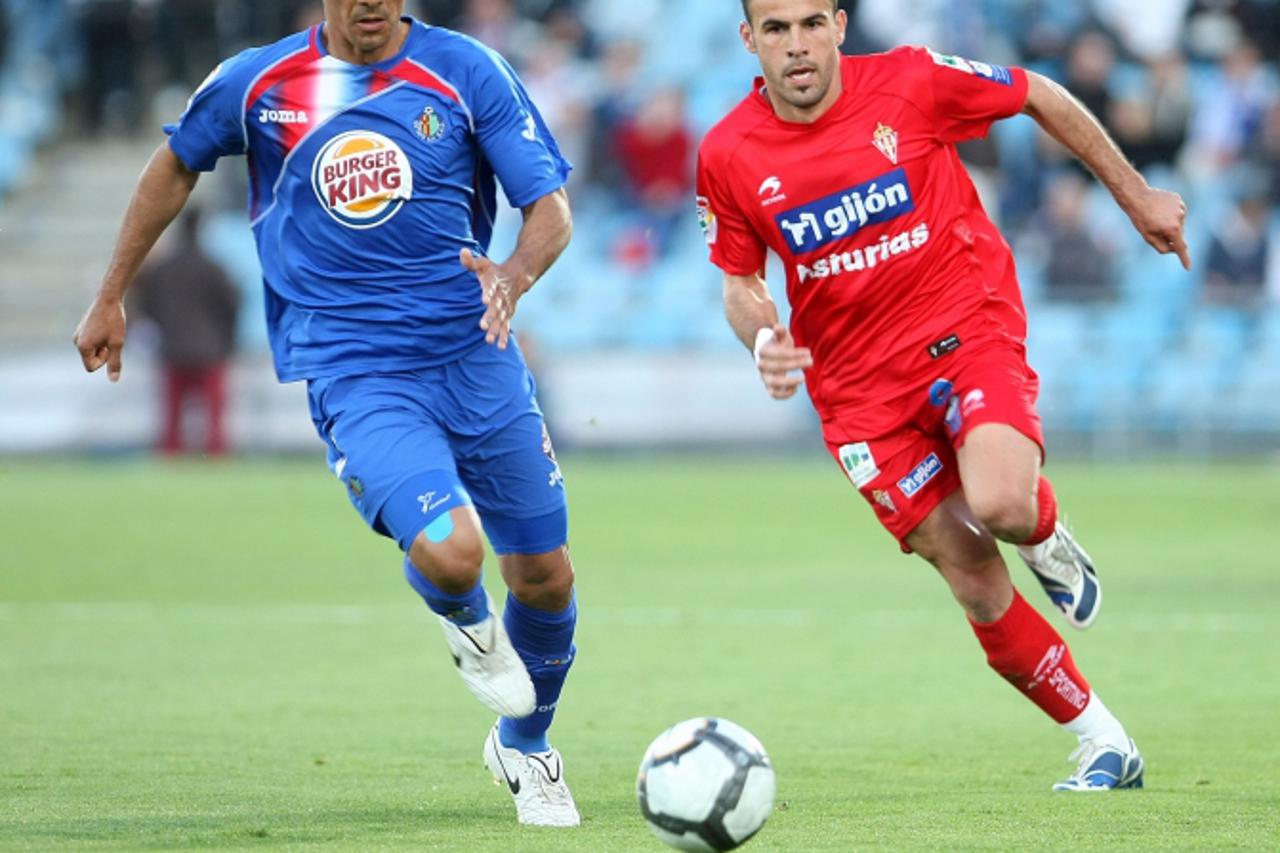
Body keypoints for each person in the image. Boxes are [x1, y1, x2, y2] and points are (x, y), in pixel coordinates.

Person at [73, 0, 580, 827]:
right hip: (356, 369)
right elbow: (173, 164)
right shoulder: (260, 82)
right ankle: (469, 626)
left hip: (476, 355)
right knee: (455, 554)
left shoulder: (467, 72)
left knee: (546, 573)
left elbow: (549, 211)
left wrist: (514, 276)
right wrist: (110, 295)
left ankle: (526, 744)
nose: (372, 3)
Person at [698, 0, 1190, 791]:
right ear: (749, 39)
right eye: (777, 30)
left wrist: (1134, 196)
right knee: (969, 573)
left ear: (840, 25)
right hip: (857, 392)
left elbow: (1038, 92)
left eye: (810, 25)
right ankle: (1104, 742)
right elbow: (740, 280)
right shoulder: (727, 151)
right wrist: (763, 337)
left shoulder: (911, 83)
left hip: (965, 326)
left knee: (999, 503)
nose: (796, 47)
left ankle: (1045, 529)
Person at [130, 207, 241, 456]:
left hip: (173, 349)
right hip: (211, 350)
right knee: (215, 418)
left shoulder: (161, 269)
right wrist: (228, 339)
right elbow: (232, 304)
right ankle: (216, 462)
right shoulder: (213, 268)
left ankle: (172, 460)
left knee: (172, 418)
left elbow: (145, 305)